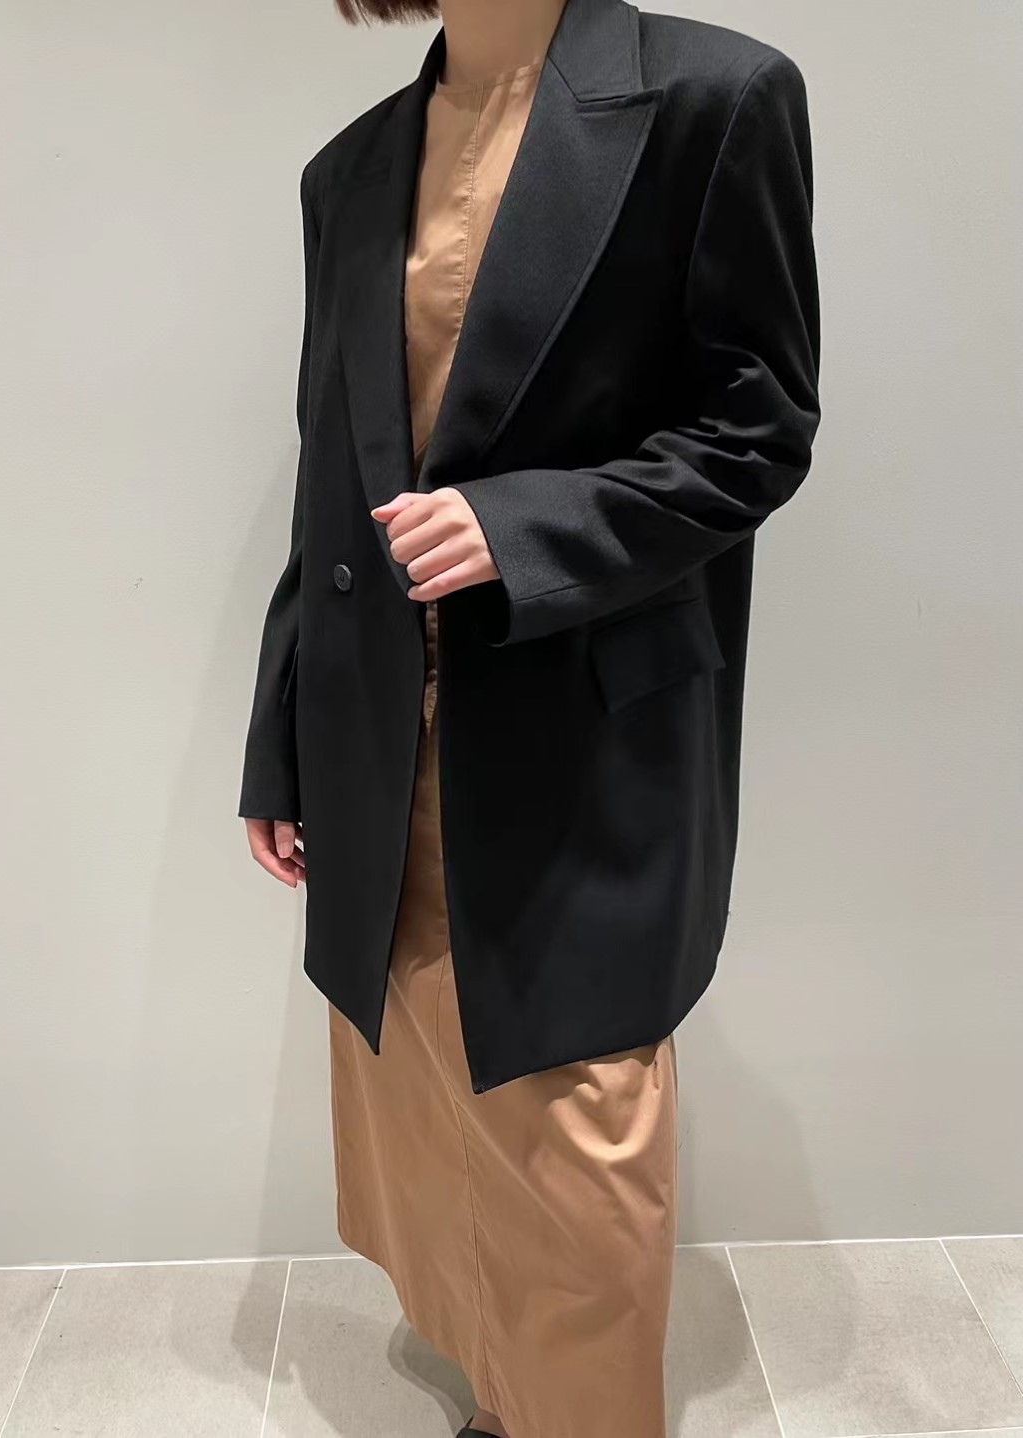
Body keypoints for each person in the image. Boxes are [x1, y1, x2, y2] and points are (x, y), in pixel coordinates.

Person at [239, 0, 820, 1431]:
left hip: (582, 720)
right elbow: (331, 471)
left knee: (578, 1123)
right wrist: (282, 731)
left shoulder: (714, 99)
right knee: (430, 1097)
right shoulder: (350, 169)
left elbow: (758, 427)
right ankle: (500, 1393)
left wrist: (524, 525)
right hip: (384, 733)